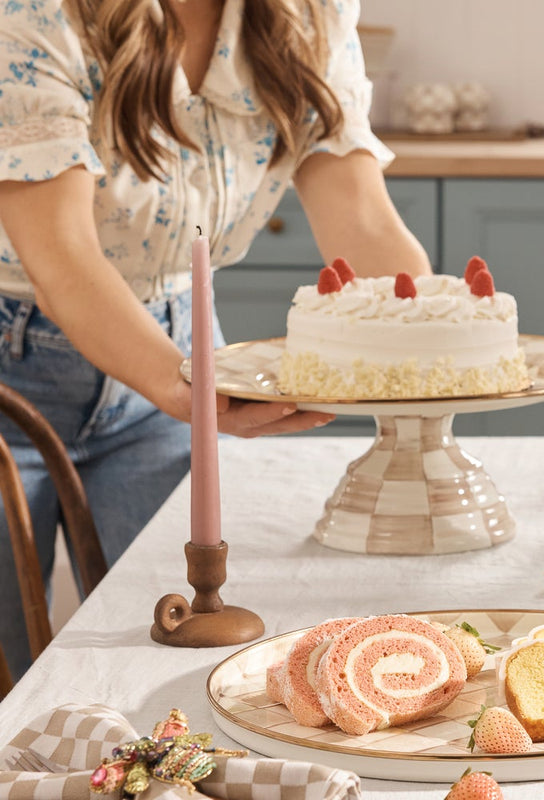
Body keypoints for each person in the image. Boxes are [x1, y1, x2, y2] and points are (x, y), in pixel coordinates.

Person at [0, 0, 432, 681]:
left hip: (177, 347)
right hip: (17, 366)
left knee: (171, 656)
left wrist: (438, 338)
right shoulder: (37, 15)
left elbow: (361, 217)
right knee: (9, 674)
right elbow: (62, 261)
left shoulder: (307, 16)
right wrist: (189, 387)